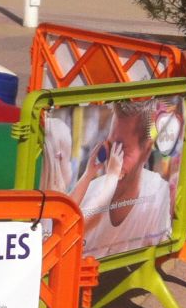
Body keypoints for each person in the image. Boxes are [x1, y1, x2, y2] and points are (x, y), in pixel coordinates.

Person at [69, 100, 171, 258]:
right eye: (110, 146)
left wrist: (109, 177)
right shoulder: (89, 191)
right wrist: (90, 174)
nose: (112, 159)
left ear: (146, 151)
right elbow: (69, 226)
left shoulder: (158, 193)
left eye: (121, 149)